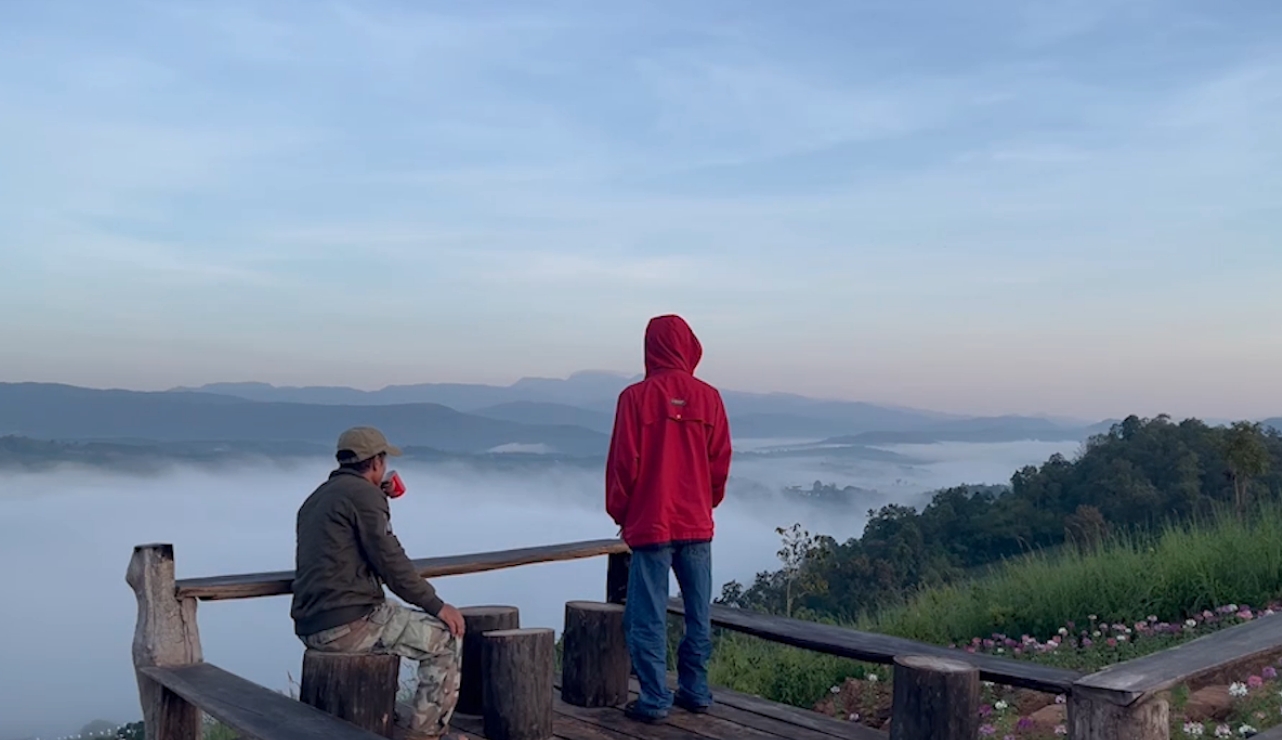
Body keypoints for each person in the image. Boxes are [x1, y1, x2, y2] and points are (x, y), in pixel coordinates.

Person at [291, 426, 469, 740]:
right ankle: (426, 736)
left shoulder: (317, 498)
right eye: (383, 460)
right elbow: (392, 564)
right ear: (376, 462)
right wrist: (438, 606)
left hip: (311, 624)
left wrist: (377, 498)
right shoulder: (364, 497)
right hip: (349, 625)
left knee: (394, 612)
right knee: (446, 638)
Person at [605, 314, 733, 723]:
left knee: (647, 616)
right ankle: (695, 690)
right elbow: (720, 462)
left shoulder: (634, 398)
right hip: (696, 522)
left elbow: (624, 464)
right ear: (690, 346)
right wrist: (704, 502)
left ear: (650, 347)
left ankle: (654, 699)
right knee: (698, 613)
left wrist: (622, 512)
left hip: (652, 523)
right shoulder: (710, 398)